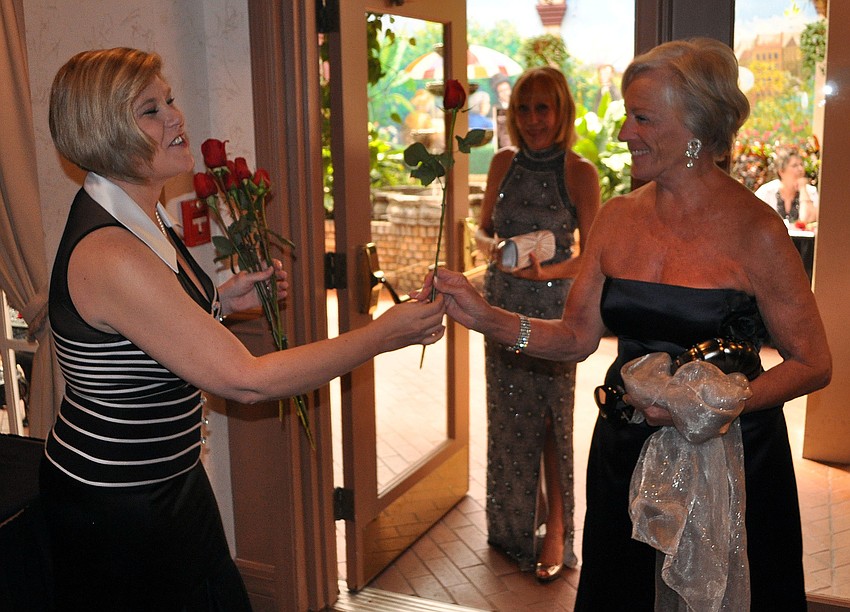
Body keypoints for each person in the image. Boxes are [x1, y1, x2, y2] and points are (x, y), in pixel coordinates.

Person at [425, 38, 831, 610]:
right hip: (625, 454)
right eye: (626, 115)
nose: (623, 133)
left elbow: (814, 363)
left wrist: (715, 405)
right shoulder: (617, 219)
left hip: (732, 460)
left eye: (641, 118)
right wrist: (487, 317)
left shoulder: (758, 232)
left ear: (695, 129)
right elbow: (574, 337)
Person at [41, 47, 446, 611]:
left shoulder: (141, 211)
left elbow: (149, 327)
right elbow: (246, 381)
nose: (177, 117)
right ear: (107, 135)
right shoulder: (110, 251)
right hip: (118, 504)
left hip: (168, 480)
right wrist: (382, 334)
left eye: (171, 100)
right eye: (151, 110)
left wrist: (217, 304)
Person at [474, 66, 601, 582]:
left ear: (562, 111)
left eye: (542, 108)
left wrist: (546, 269)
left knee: (550, 418)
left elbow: (593, 255)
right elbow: (482, 231)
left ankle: (556, 527)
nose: (532, 120)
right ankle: (510, 525)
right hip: (502, 305)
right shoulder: (502, 163)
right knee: (508, 418)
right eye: (523, 109)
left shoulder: (580, 172)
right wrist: (497, 253)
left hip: (554, 312)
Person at [754, 149, 819, 224]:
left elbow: (808, 219)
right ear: (781, 171)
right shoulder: (766, 192)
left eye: (801, 165)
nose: (800, 169)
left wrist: (803, 189)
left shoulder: (811, 192)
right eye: (795, 166)